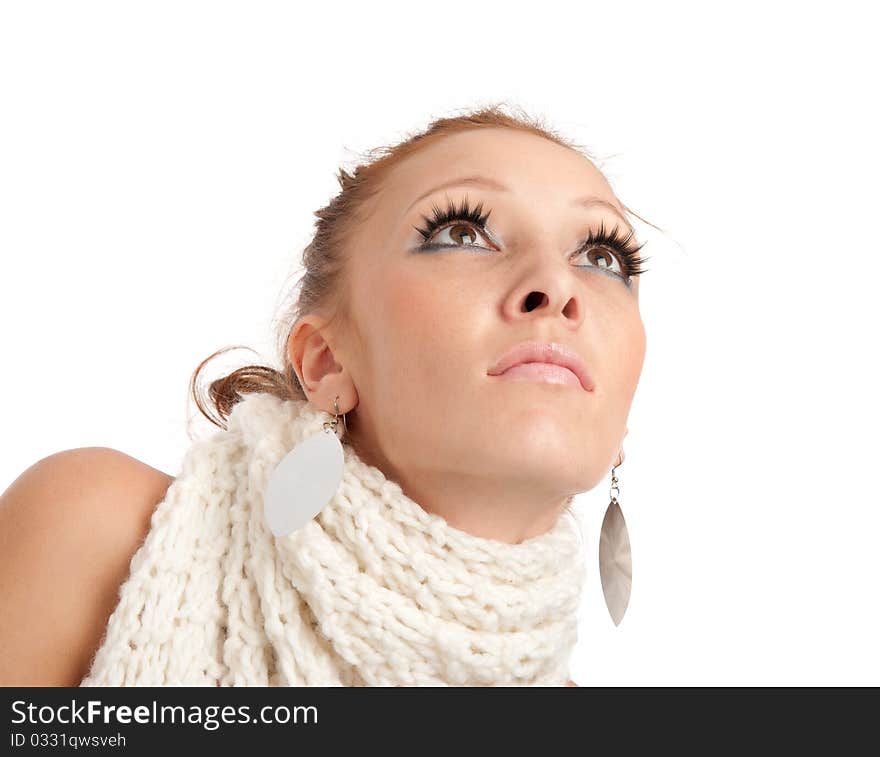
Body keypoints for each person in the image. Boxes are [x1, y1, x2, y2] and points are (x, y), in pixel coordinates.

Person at [0, 102, 650, 686]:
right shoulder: (95, 530)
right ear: (327, 361)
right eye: (462, 231)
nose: (556, 285)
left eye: (603, 256)